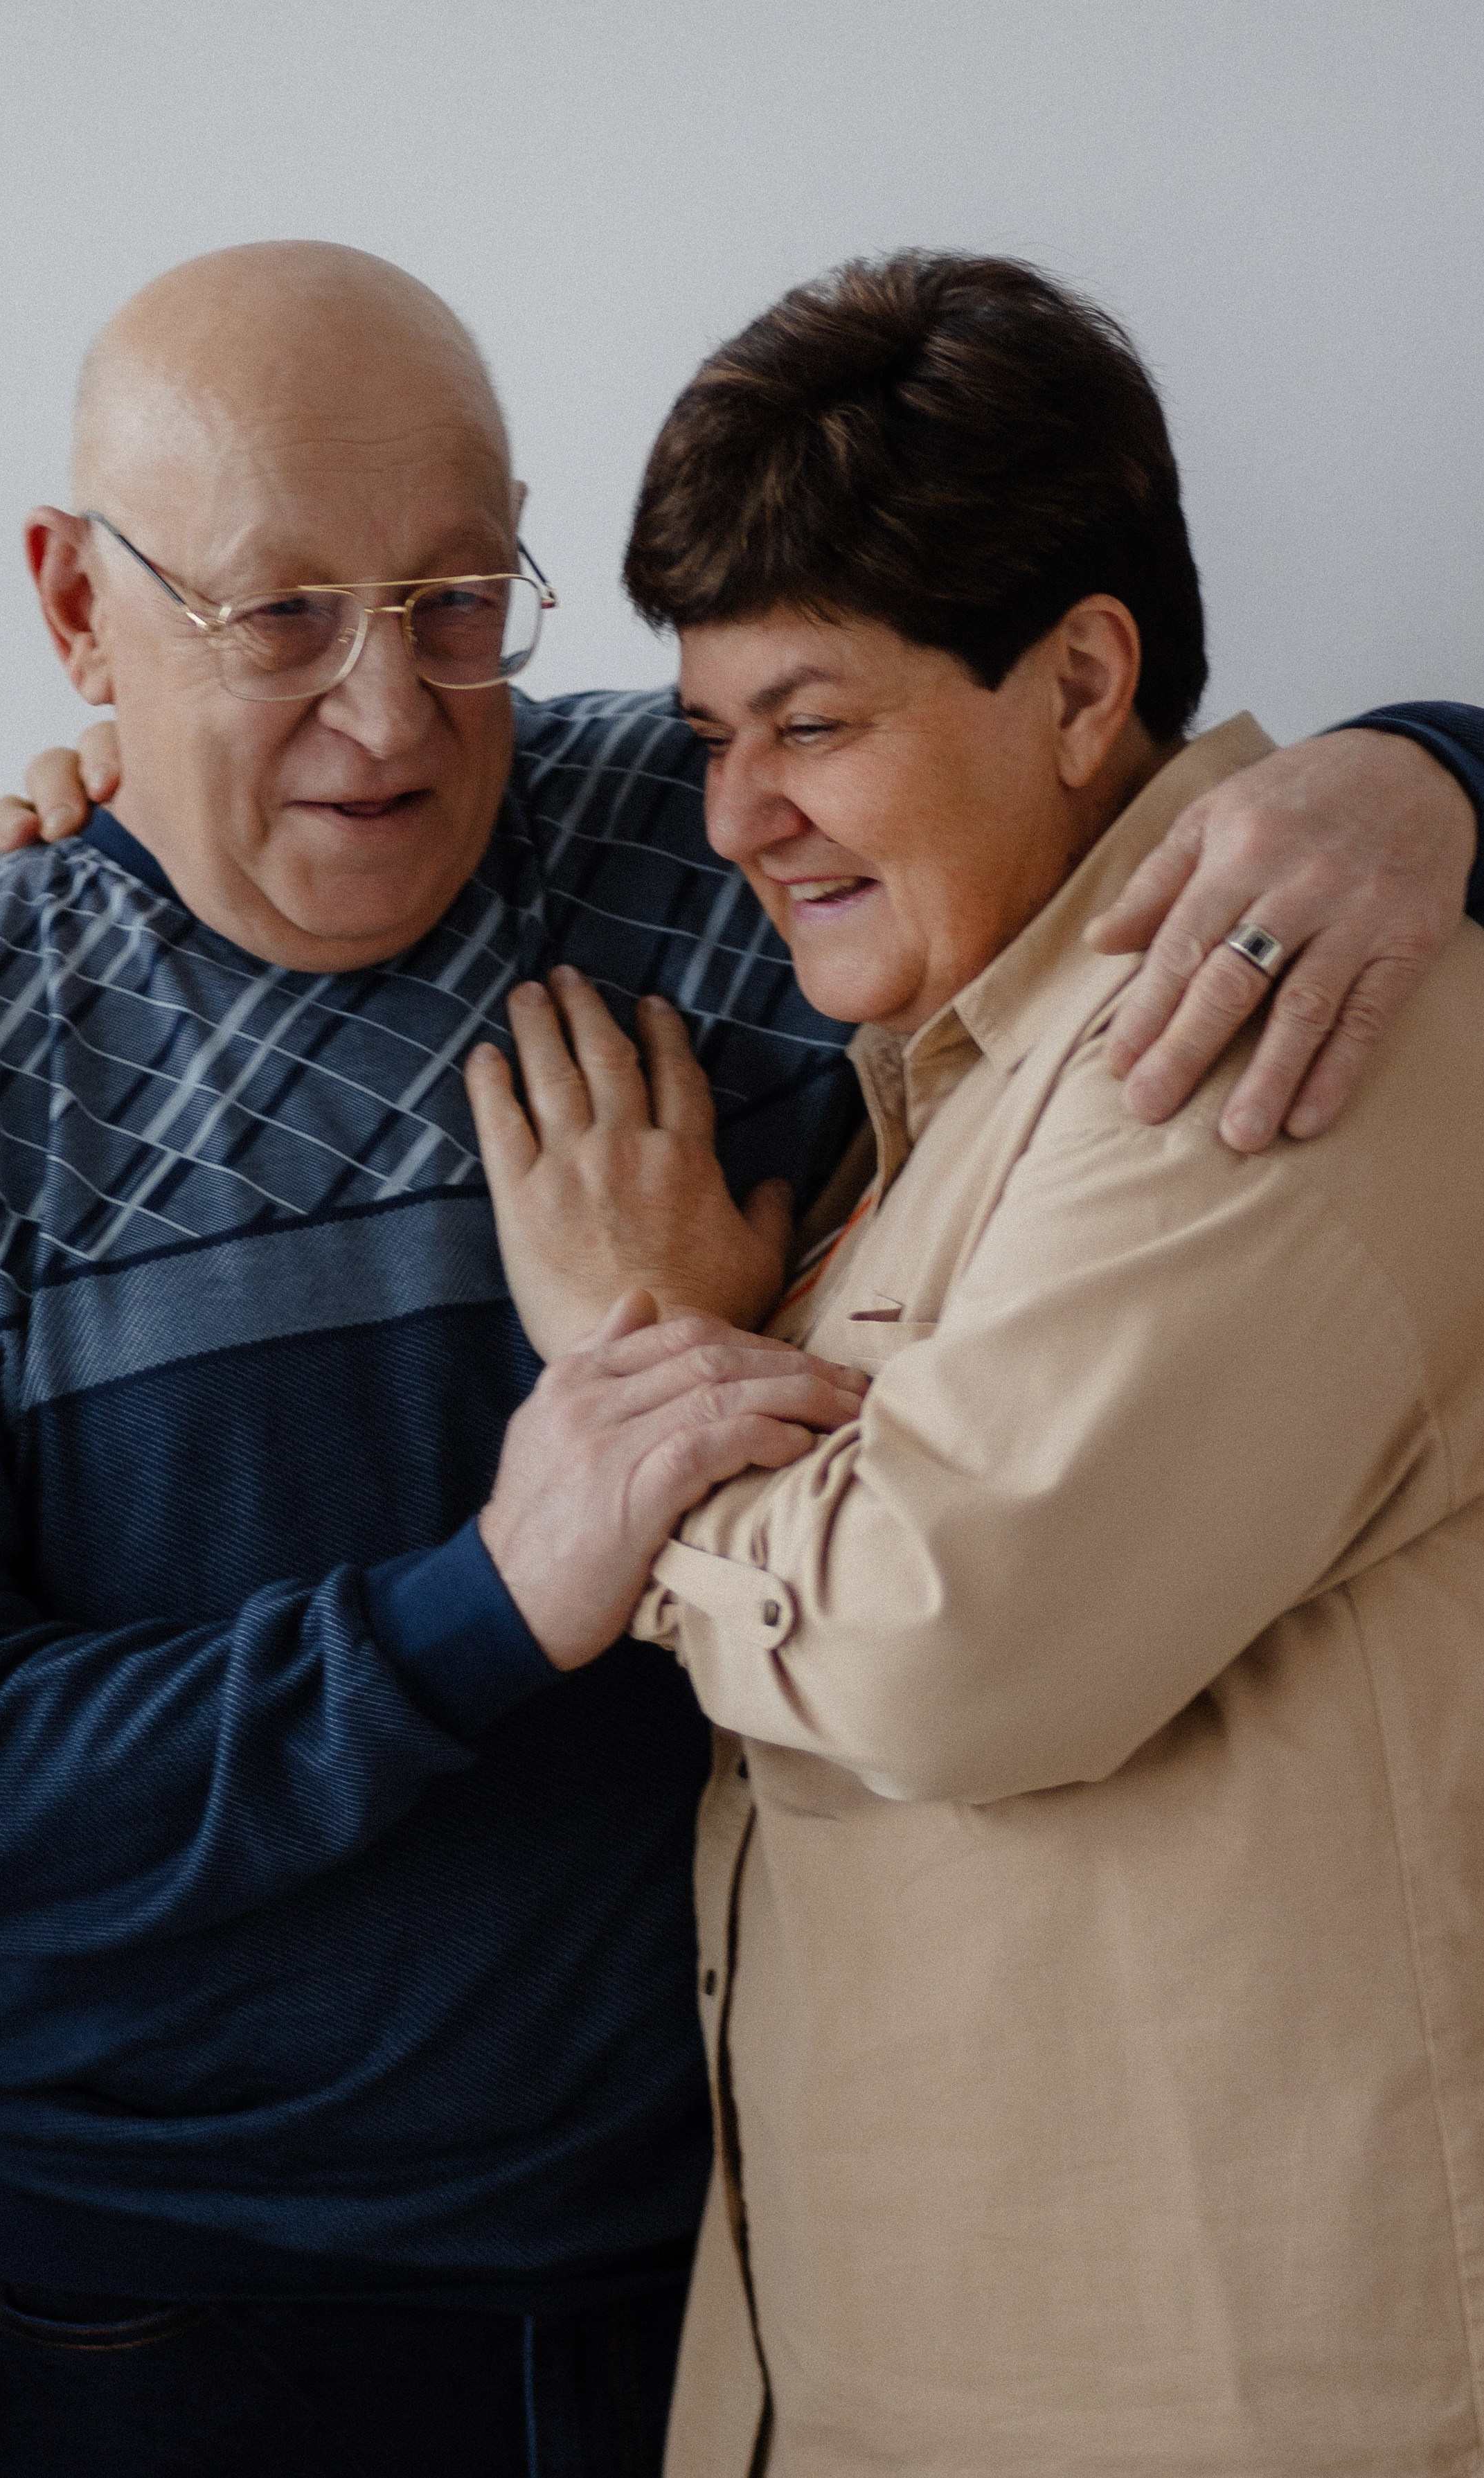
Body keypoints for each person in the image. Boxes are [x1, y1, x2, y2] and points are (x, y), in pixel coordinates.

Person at [0, 236, 1482, 2475]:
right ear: (73, 605)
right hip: (191, 2309)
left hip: (738, 2276)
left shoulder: (705, 852)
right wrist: (469, 1615)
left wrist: (1430, 770)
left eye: (450, 602)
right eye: (278, 616)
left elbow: (1100, 806)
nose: (391, 711)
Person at [464, 252, 1484, 2475]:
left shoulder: (1255, 1014)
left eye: (809, 723)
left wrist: (634, 1358)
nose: (733, 817)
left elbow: (943, 1641)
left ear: (1080, 678)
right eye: (707, 734)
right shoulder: (946, 1074)